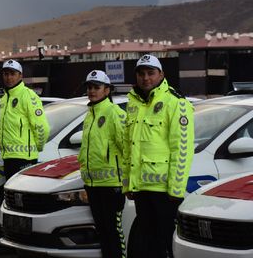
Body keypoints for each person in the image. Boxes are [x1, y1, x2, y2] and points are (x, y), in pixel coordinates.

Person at [122, 55, 194, 258]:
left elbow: (181, 149)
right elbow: (130, 148)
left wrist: (176, 189)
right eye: (141, 73)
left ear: (161, 74)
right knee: (148, 244)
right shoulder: (134, 104)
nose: (146, 78)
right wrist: (128, 183)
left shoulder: (175, 103)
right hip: (141, 189)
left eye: (151, 73)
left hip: (165, 192)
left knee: (167, 245)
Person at [77, 70, 126, 258]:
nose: (92, 91)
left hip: (112, 185)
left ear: (107, 90)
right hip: (92, 185)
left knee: (114, 232)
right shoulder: (90, 115)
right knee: (102, 232)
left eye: (96, 87)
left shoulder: (115, 113)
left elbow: (126, 149)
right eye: (89, 87)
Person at [0, 60, 50, 179]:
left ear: (20, 75)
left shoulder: (28, 95)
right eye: (5, 74)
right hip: (8, 157)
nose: (8, 77)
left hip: (25, 158)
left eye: (12, 74)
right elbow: (2, 126)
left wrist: (38, 147)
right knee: (11, 195)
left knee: (22, 196)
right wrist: (1, 145)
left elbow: (42, 127)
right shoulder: (5, 98)